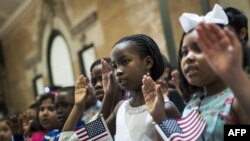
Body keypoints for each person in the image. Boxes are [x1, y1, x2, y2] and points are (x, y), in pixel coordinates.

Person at [142, 4, 250, 141]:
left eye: (199, 49)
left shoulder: (235, 101)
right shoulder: (193, 103)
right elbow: (178, 138)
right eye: (184, 52)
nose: (188, 58)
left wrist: (236, 76)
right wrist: (159, 117)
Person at [100, 34, 180, 140]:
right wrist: (108, 95)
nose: (118, 71)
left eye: (125, 62)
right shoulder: (120, 108)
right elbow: (91, 135)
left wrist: (159, 116)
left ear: (148, 62)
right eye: (115, 66)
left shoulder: (166, 108)